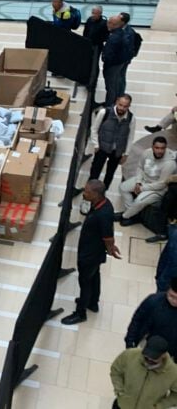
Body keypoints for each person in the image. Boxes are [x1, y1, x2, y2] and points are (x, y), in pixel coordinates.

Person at [61, 180, 121, 325]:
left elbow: (108, 236)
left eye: (87, 191)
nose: (84, 193)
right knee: (94, 276)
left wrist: (111, 248)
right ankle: (92, 302)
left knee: (85, 281)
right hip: (92, 250)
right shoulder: (103, 204)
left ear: (96, 194)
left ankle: (80, 312)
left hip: (90, 254)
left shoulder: (103, 213)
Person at [76, 94, 135, 194]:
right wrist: (96, 145)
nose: (122, 108)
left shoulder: (131, 118)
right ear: (116, 102)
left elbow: (130, 137)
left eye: (125, 106)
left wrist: (126, 154)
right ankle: (89, 192)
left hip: (117, 151)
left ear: (129, 106)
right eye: (120, 105)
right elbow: (94, 129)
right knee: (95, 171)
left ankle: (103, 192)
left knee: (110, 173)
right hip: (102, 148)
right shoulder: (105, 112)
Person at [116, 137, 176, 227]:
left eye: (162, 148)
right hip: (144, 180)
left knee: (139, 201)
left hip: (157, 189)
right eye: (157, 148)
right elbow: (140, 167)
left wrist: (142, 188)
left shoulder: (170, 164)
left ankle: (124, 216)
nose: (160, 151)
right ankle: (133, 214)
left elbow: (162, 184)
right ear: (152, 147)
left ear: (166, 148)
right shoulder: (147, 152)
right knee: (123, 187)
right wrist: (138, 182)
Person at [110, 336, 177, 409]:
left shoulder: (173, 372)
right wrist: (119, 390)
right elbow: (116, 370)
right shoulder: (129, 355)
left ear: (163, 355)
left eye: (153, 358)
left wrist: (160, 406)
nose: (148, 360)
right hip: (122, 406)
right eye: (146, 357)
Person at [126, 278, 177, 358]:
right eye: (171, 296)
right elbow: (137, 320)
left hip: (171, 353)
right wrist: (130, 342)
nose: (174, 301)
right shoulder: (153, 301)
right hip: (147, 345)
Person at [102, 15, 134, 106]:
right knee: (115, 83)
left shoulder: (114, 37)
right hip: (119, 62)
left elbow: (109, 54)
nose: (107, 24)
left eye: (109, 22)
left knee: (111, 86)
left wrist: (104, 58)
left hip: (113, 65)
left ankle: (109, 105)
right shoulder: (121, 33)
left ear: (114, 24)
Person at [83, 5, 109, 77]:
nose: (93, 15)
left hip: (97, 46)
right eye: (92, 13)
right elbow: (85, 32)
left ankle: (92, 84)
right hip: (88, 45)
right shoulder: (89, 20)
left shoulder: (104, 23)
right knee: (87, 63)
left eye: (95, 13)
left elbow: (106, 36)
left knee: (94, 65)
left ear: (100, 13)